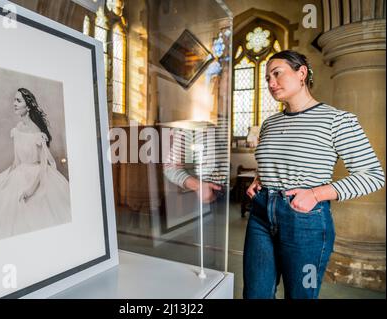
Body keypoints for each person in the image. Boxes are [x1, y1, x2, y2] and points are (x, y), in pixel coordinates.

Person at [243, 50, 385, 299]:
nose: (271, 83)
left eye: (277, 74)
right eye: (267, 79)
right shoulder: (270, 123)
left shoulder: (337, 120)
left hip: (304, 218)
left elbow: (373, 175)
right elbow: (272, 161)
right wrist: (259, 178)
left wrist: (316, 194)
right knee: (255, 294)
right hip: (261, 214)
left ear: (301, 73)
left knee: (300, 294)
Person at [0, 88, 71, 243]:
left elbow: (43, 166)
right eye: (14, 100)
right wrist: (4, 180)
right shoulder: (17, 128)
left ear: (28, 106)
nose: (14, 104)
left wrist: (30, 189)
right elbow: (16, 161)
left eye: (18, 101)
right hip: (18, 173)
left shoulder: (37, 132)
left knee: (31, 214)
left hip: (36, 176)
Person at [163, 116, 229, 270]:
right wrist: (199, 186)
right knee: (206, 263)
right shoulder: (189, 126)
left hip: (244, 200)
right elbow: (170, 166)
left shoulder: (225, 121)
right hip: (206, 198)